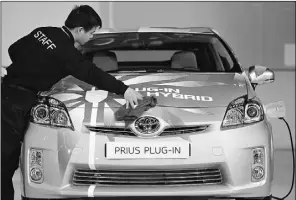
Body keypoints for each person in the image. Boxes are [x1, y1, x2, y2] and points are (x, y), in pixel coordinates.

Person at [1, 5, 143, 200]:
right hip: (16, 104)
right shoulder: (67, 54)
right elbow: (93, 74)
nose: (92, 37)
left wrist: (30, 68)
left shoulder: (43, 32)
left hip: (5, 93)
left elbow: (13, 49)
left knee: (5, 161)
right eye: (92, 33)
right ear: (79, 30)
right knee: (4, 162)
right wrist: (124, 90)